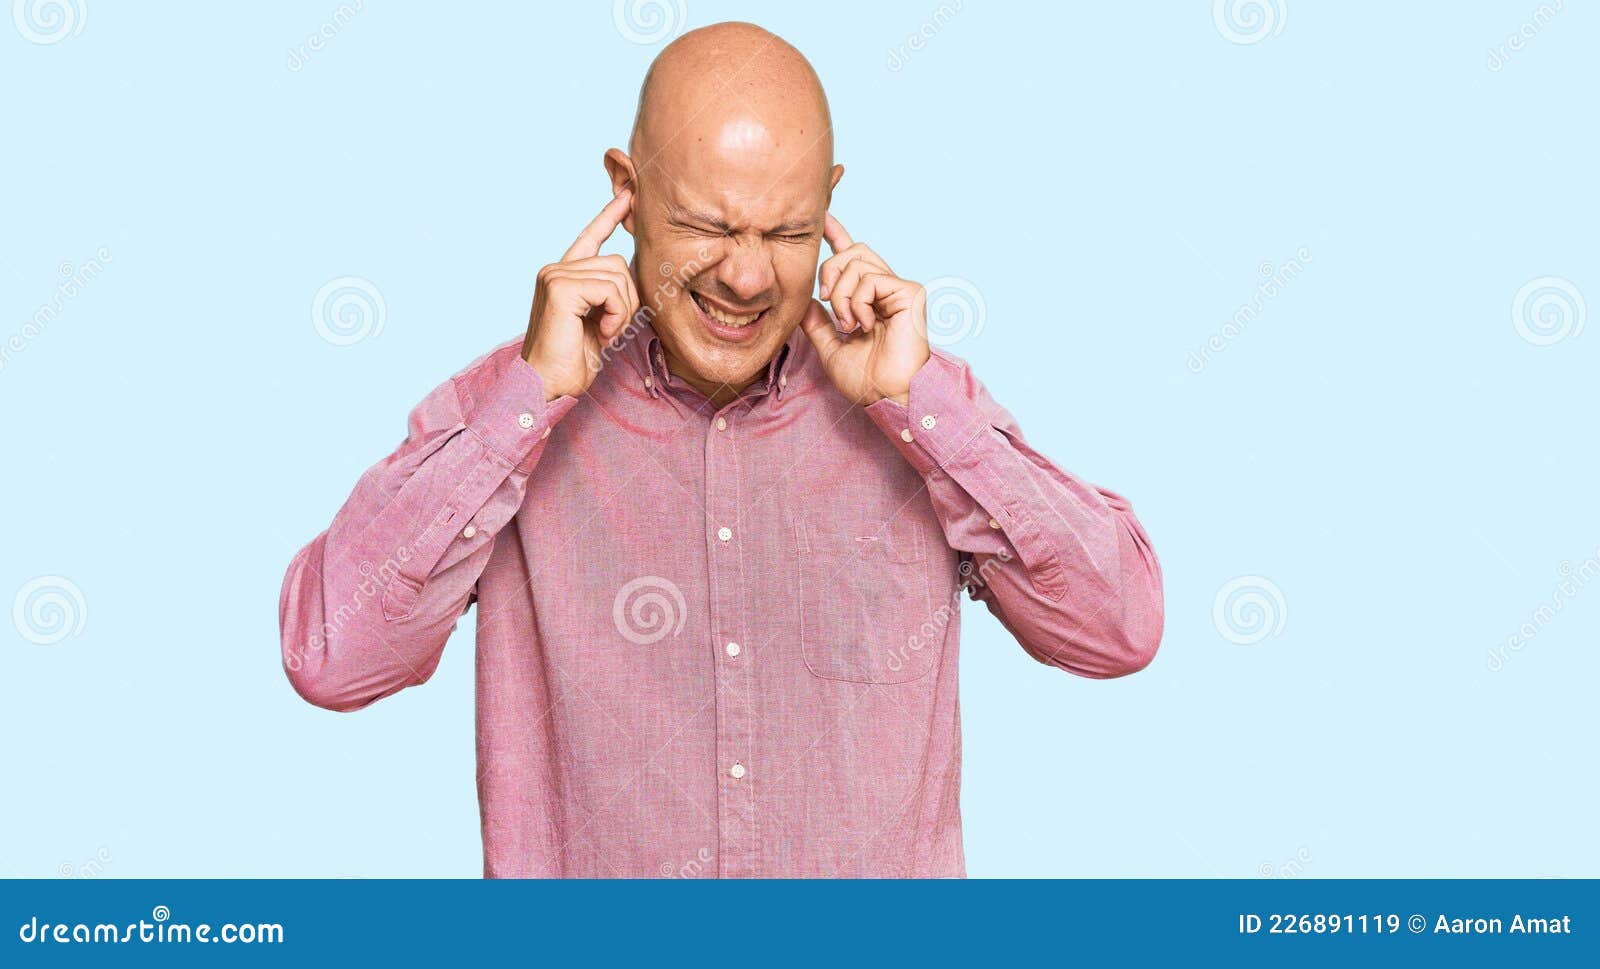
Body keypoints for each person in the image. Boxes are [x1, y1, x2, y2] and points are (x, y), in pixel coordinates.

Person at [279, 21, 1163, 877]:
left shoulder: (919, 401)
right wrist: (528, 404)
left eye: (787, 234)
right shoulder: (507, 407)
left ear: (829, 204)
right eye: (708, 226)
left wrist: (916, 406)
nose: (746, 277)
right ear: (625, 192)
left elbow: (1117, 630)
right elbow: (333, 657)